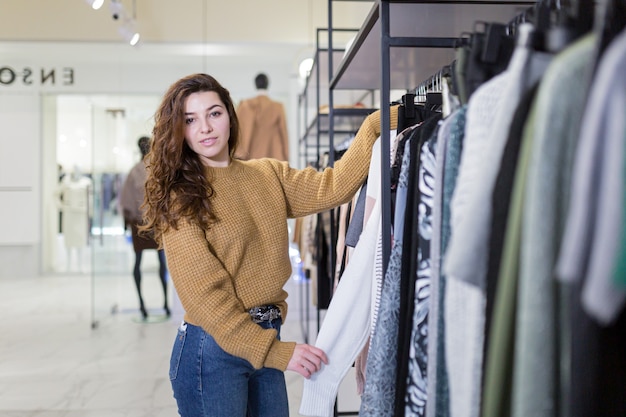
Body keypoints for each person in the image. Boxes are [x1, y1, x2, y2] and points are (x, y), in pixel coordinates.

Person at [141, 73, 389, 416]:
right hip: (212, 350)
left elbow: (332, 187)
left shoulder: (266, 174)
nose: (205, 128)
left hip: (266, 336)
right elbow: (206, 298)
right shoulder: (181, 198)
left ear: (230, 115)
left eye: (214, 113)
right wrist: (279, 353)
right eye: (190, 120)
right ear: (179, 130)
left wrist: (375, 125)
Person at [119, 136, 170, 320]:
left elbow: (126, 202)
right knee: (158, 262)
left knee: (146, 263)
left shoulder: (141, 171)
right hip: (148, 222)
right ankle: (159, 304)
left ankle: (154, 304)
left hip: (148, 222)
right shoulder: (153, 170)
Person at [235, 72, 290, 161]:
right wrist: (286, 156)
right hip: (274, 156)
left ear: (255, 84)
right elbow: (284, 133)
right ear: (268, 84)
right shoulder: (278, 107)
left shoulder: (246, 106)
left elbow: (239, 131)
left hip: (251, 157)